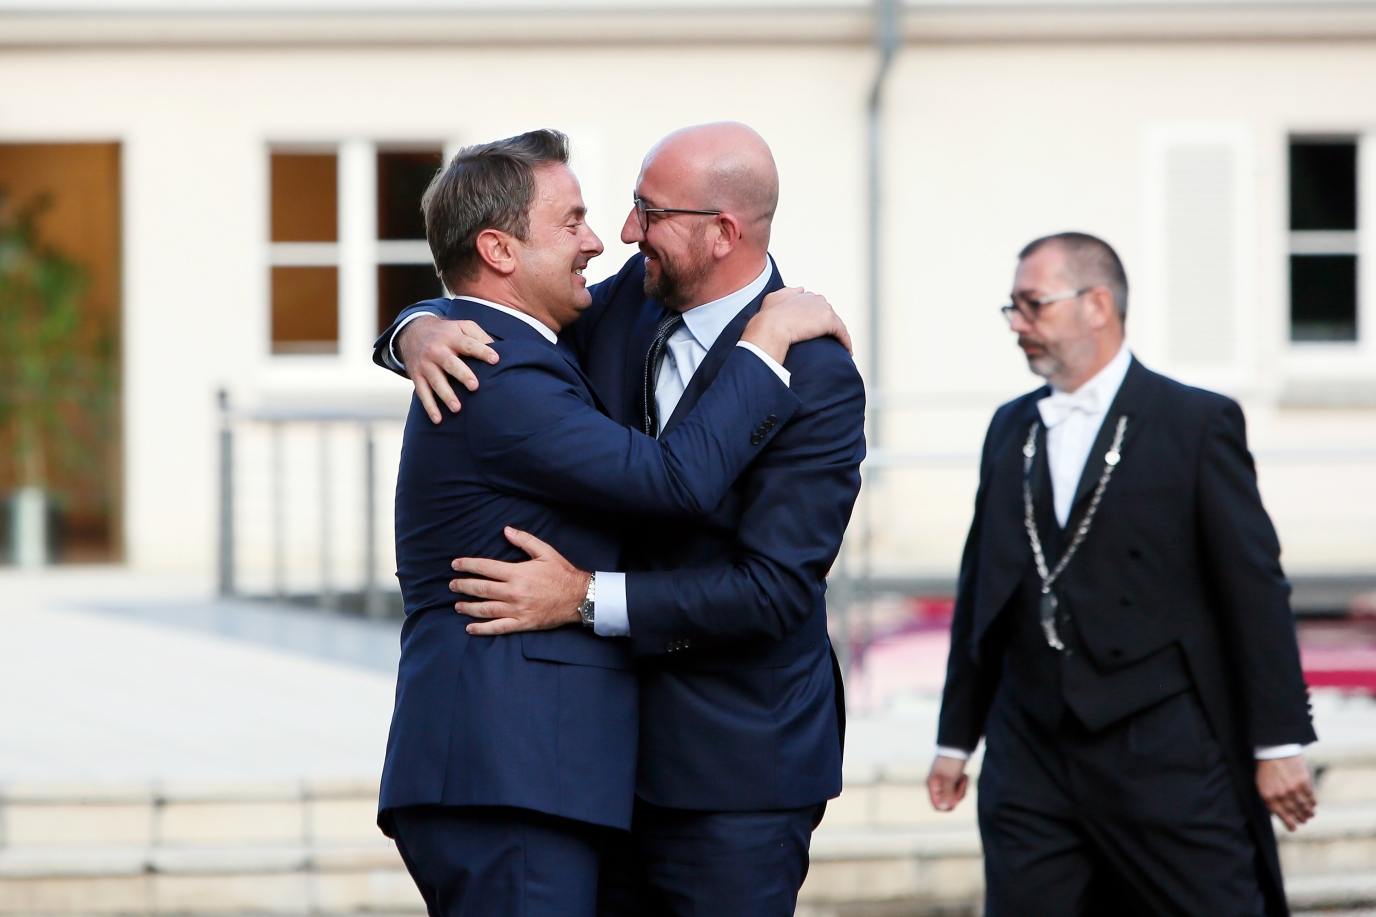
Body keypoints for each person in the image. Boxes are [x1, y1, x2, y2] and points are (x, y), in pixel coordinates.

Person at [375, 122, 866, 917]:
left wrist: (584, 598)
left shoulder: (813, 375)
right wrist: (413, 330)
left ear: (723, 233)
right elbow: (496, 307)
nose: (621, 235)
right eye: (606, 213)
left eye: (648, 211)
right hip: (584, 764)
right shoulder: (619, 310)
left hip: (732, 769)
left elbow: (774, 590)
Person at [926, 232, 1318, 916]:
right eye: (1012, 308)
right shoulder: (1009, 428)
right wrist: (955, 737)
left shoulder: (1195, 422)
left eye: (1033, 304)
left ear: (1097, 304)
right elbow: (982, 587)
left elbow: (1254, 590)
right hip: (1029, 755)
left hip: (1162, 750)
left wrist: (1279, 740)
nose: (1018, 323)